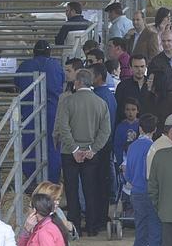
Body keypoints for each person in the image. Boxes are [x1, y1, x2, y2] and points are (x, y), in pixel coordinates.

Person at [56, 69, 111, 236]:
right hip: (91, 153)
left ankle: (75, 227)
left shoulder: (67, 102)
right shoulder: (101, 103)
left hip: (69, 152)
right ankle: (92, 226)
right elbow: (105, 131)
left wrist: (74, 149)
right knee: (91, 189)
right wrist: (93, 149)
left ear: (78, 82)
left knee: (72, 191)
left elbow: (63, 127)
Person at [15, 40, 65, 184]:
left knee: (30, 144)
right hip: (52, 110)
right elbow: (62, 83)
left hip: (29, 109)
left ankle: (32, 181)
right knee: (53, 144)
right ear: (49, 52)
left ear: (34, 52)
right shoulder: (55, 65)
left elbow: (17, 82)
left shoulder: (25, 66)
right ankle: (52, 181)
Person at [125, 114, 162, 246]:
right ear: (155, 130)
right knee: (155, 238)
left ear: (140, 128)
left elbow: (127, 172)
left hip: (136, 193)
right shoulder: (153, 148)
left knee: (140, 236)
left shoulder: (132, 147)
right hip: (150, 194)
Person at [91, 63, 118, 231]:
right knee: (102, 181)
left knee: (97, 182)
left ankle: (99, 218)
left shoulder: (99, 96)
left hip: (99, 144)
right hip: (106, 143)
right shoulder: (107, 95)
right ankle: (101, 216)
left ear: (99, 77)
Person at [143, 70, 172, 136]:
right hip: (150, 134)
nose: (147, 83)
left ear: (157, 82)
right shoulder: (149, 97)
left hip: (168, 134)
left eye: (150, 80)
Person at [115, 54, 149, 123]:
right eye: (136, 67)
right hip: (128, 127)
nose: (139, 69)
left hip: (149, 128)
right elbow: (118, 109)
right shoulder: (122, 86)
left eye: (142, 66)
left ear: (146, 67)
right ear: (130, 68)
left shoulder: (153, 85)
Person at [113, 97, 140, 172]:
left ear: (138, 111)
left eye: (133, 109)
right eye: (128, 110)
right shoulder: (120, 127)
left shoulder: (141, 125)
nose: (130, 113)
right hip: (124, 161)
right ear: (124, 111)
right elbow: (117, 146)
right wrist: (120, 162)